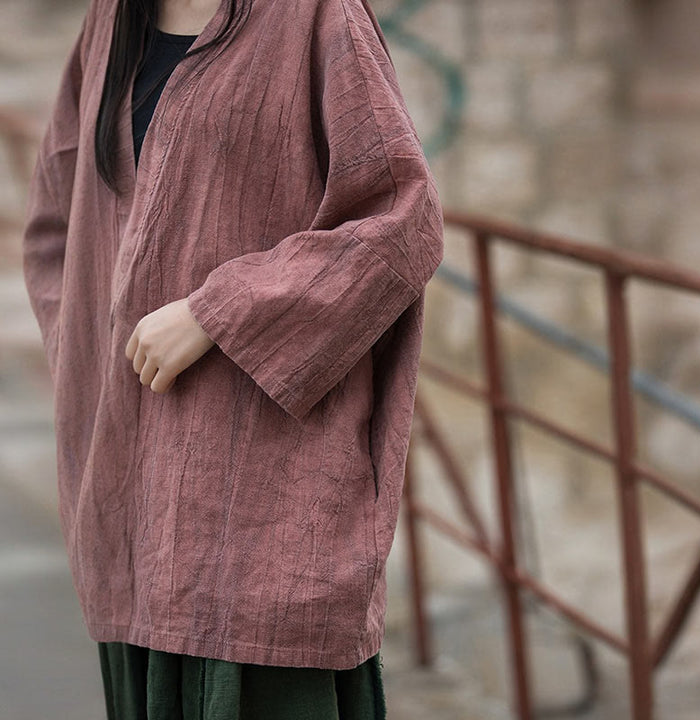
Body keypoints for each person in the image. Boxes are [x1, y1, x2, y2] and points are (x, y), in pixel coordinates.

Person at [21, 0, 445, 716]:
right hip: (126, 502)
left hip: (259, 500)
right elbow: (57, 220)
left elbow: (401, 221)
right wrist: (92, 367)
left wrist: (217, 313)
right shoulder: (112, 22)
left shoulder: (315, 17)